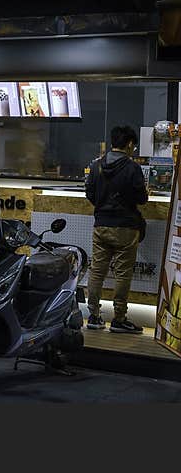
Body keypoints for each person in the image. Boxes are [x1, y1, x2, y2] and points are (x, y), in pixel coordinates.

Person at [84, 125, 149, 333]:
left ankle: (93, 316)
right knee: (122, 274)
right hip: (126, 227)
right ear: (129, 144)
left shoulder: (96, 166)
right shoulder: (132, 168)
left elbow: (90, 195)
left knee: (97, 272)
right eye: (133, 146)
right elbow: (142, 199)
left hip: (101, 225)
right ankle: (119, 319)